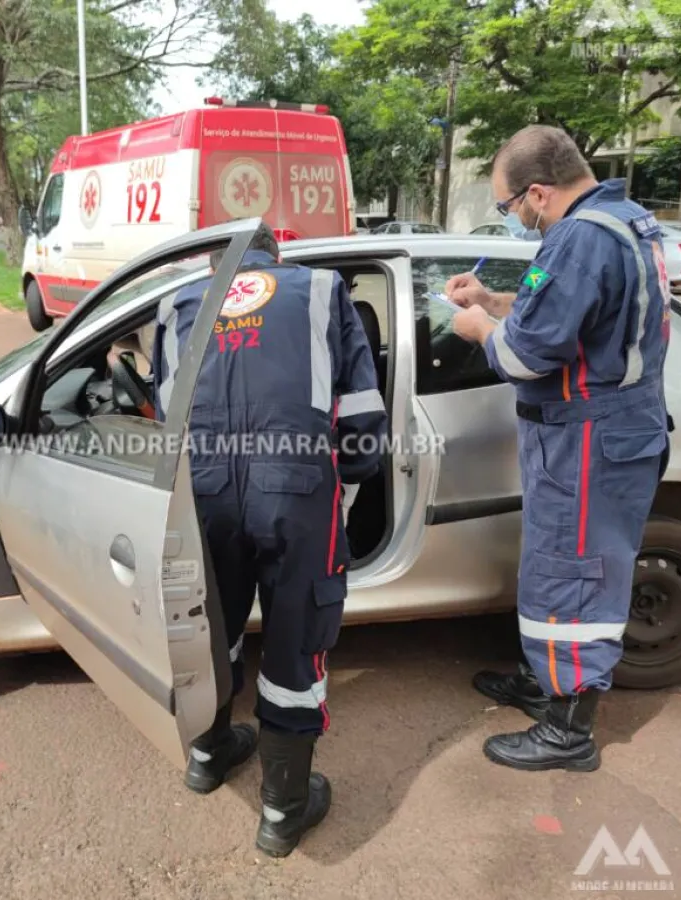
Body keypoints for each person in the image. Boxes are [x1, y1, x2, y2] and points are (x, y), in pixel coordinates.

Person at [152, 223, 388, 856]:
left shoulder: (178, 303)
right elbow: (363, 417)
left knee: (208, 628)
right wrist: (348, 477)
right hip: (294, 490)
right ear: (276, 256)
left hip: (201, 493)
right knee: (294, 639)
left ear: (215, 261)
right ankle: (283, 812)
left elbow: (163, 411)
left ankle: (208, 755)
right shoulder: (319, 289)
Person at [448, 125, 672, 773]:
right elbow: (565, 315)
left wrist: (477, 327)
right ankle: (545, 683)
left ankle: (568, 731)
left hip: (591, 442)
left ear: (538, 193)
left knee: (578, 578)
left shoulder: (576, 239)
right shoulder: (621, 220)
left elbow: (523, 353)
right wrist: (494, 300)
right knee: (558, 568)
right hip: (604, 434)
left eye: (509, 206)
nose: (513, 218)